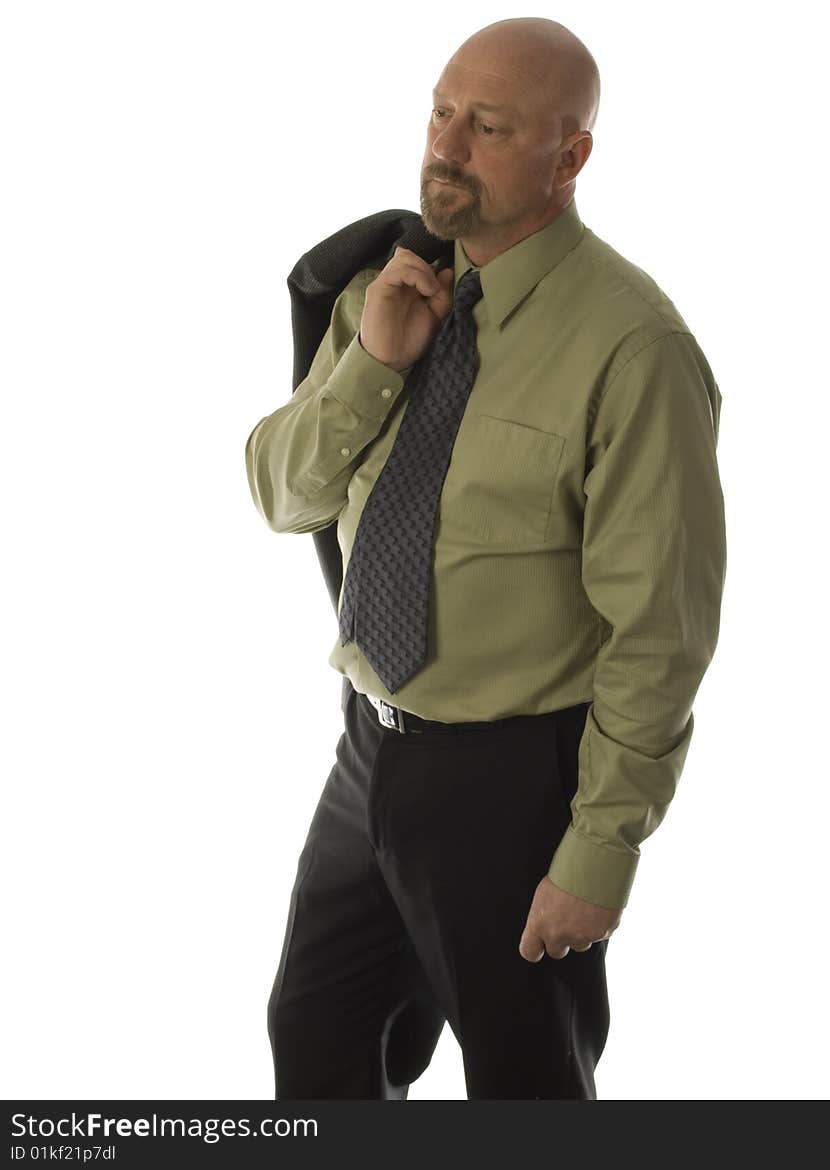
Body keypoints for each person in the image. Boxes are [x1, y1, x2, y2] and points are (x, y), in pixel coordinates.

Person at [244, 16, 726, 1100]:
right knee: (315, 1041)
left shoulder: (634, 350)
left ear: (570, 157)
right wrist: (371, 358)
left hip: (516, 785)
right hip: (368, 754)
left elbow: (661, 632)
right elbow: (282, 495)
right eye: (440, 111)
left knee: (524, 1084)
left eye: (490, 126)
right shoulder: (389, 280)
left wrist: (598, 854)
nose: (447, 147)